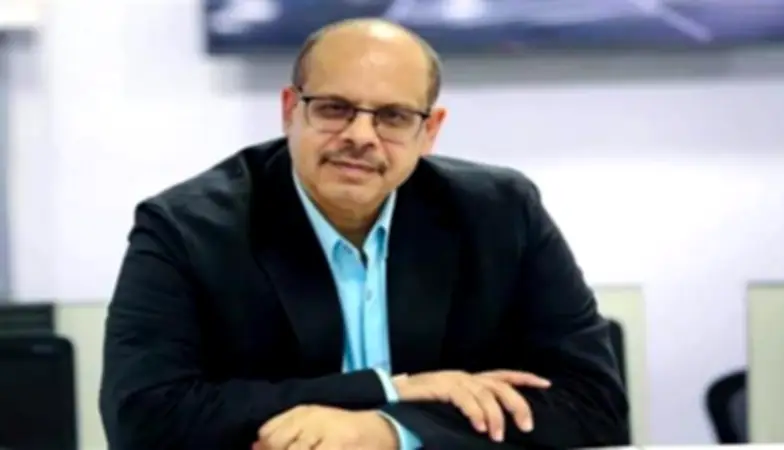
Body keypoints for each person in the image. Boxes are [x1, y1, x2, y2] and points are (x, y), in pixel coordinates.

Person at [99, 17, 628, 450]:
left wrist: (388, 431)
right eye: (334, 109)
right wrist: (387, 389)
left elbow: (594, 404)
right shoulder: (187, 228)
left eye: (393, 117)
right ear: (290, 111)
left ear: (429, 131)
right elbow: (143, 420)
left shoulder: (502, 213)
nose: (360, 136)